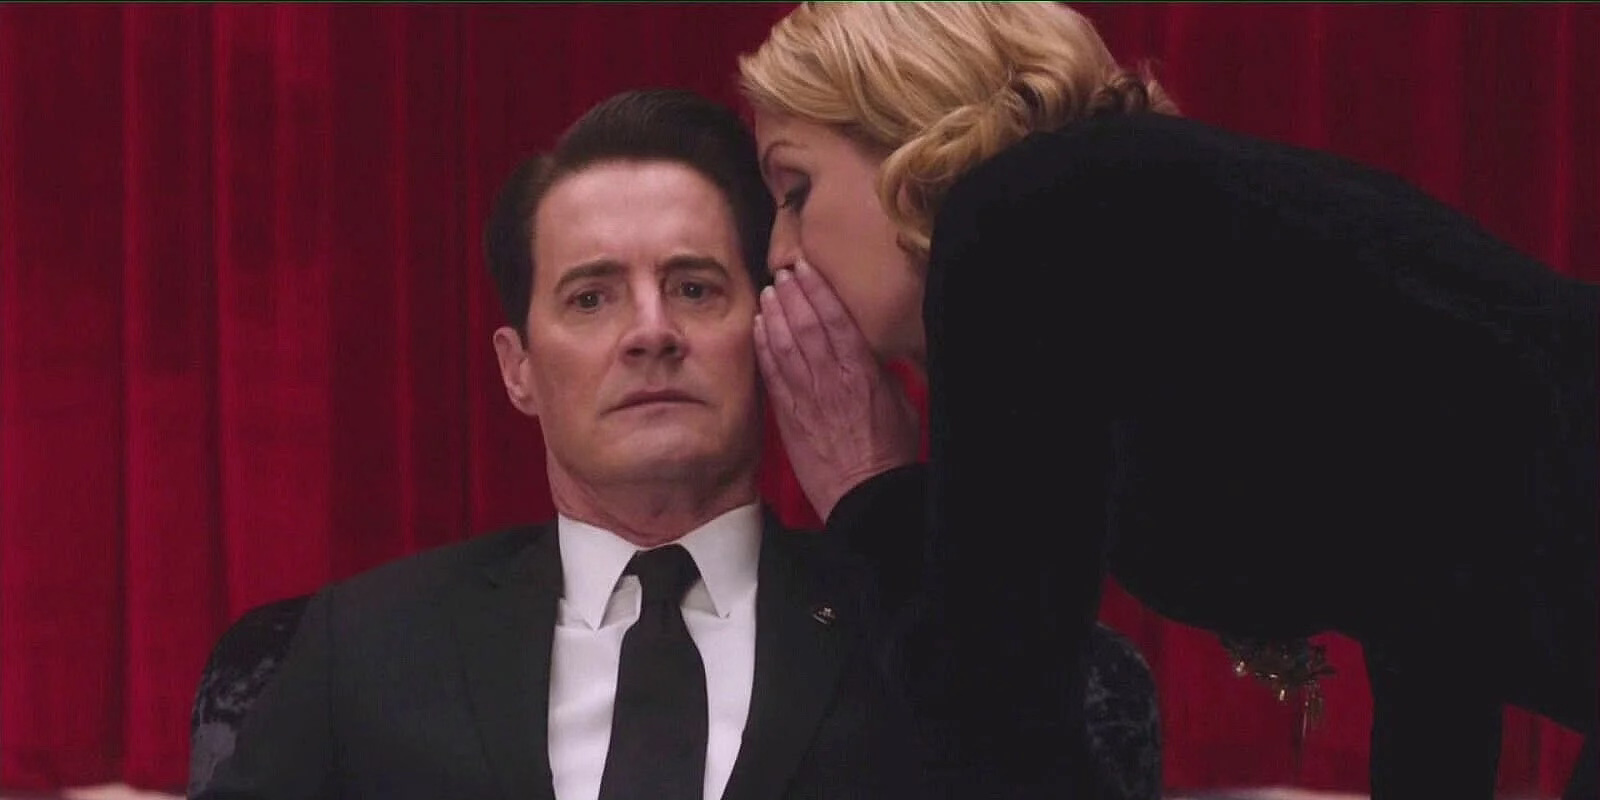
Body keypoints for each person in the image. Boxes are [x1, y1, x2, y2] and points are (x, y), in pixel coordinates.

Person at [736, 3, 1598, 799]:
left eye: (795, 191)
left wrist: (870, 490)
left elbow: (994, 726)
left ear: (908, 129)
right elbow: (1430, 560)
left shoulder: (1016, 220)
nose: (779, 253)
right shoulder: (1127, 210)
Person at [194, 87, 931, 800]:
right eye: (591, 298)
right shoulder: (369, 645)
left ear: (772, 326)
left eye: (694, 288)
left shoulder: (900, 614)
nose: (651, 332)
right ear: (518, 368)